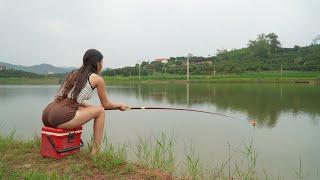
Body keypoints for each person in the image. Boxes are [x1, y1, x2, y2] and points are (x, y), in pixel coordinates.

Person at [42, 49, 128, 154]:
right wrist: (120, 105)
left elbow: (71, 97)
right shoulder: (97, 79)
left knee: (85, 108)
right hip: (61, 116)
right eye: (102, 62)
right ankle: (95, 152)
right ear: (97, 63)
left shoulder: (73, 73)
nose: (102, 65)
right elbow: (106, 105)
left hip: (47, 114)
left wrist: (89, 108)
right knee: (100, 111)